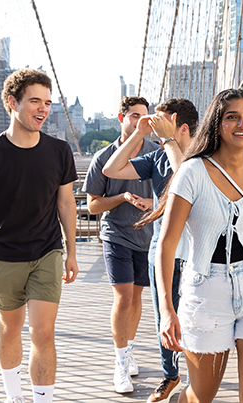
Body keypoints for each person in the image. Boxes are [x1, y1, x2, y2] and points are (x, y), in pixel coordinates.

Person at [153, 89, 243, 403]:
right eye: (232, 117)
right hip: (206, 291)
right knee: (202, 395)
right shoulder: (193, 172)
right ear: (217, 124)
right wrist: (167, 310)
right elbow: (167, 244)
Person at [0, 68, 79, 403]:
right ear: (12, 103)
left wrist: (70, 251)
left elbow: (67, 203)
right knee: (10, 329)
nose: (43, 109)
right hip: (4, 256)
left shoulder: (59, 151)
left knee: (43, 332)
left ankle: (43, 400)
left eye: (47, 102)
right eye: (34, 101)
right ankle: (15, 397)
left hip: (47, 251)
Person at [102, 98, 199, 403]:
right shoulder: (157, 157)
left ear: (180, 126)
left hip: (199, 251)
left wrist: (169, 139)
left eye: (161, 122)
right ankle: (171, 375)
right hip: (162, 250)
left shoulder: (205, 158)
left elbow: (187, 177)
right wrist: (137, 135)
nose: (155, 127)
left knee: (198, 318)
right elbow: (111, 168)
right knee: (164, 319)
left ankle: (197, 380)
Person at [82, 96, 158, 393]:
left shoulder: (156, 153)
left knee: (137, 298)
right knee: (123, 297)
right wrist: (123, 198)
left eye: (145, 116)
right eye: (135, 116)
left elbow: (172, 192)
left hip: (147, 235)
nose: (141, 121)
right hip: (116, 234)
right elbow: (92, 206)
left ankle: (128, 349)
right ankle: (120, 363)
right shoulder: (104, 158)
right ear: (121, 118)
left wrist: (154, 202)